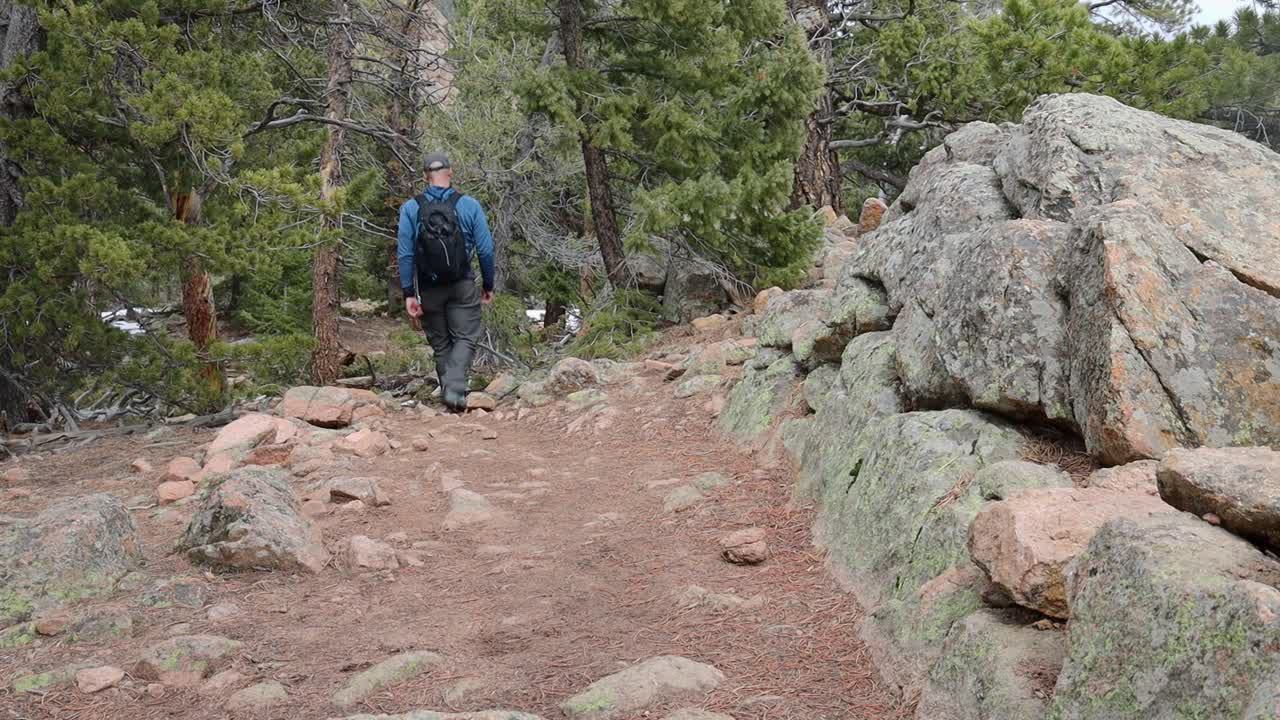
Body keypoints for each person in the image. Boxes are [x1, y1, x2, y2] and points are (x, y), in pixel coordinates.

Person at [398, 152, 495, 412]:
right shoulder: (469, 205)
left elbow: (405, 254)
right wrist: (488, 284)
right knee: (465, 338)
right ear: (450, 171)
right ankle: (454, 389)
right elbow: (485, 249)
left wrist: (408, 292)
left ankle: (450, 394)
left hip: (429, 287)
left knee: (440, 342)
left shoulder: (411, 208)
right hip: (462, 283)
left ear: (425, 176)